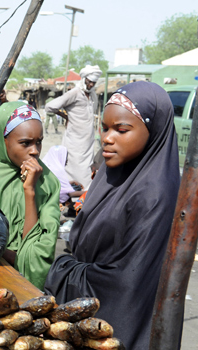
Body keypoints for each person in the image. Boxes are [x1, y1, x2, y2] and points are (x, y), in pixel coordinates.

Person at [44, 82, 180, 349]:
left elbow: (124, 284)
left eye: (122, 130)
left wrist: (62, 270)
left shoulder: (154, 194)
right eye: (104, 128)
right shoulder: (111, 174)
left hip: (120, 330)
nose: (107, 138)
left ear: (152, 131)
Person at [0, 102, 60, 289]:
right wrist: (5, 254)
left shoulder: (48, 183)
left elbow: (39, 249)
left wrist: (30, 190)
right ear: (2, 140)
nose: (35, 150)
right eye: (25, 143)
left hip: (20, 281)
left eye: (39, 141)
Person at [45, 65, 102, 190]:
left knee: (87, 169)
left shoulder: (92, 95)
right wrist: (65, 117)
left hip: (88, 141)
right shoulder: (74, 93)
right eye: (89, 81)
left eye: (93, 82)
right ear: (84, 79)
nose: (91, 85)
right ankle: (74, 199)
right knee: (74, 170)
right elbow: (50, 106)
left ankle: (83, 197)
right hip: (74, 141)